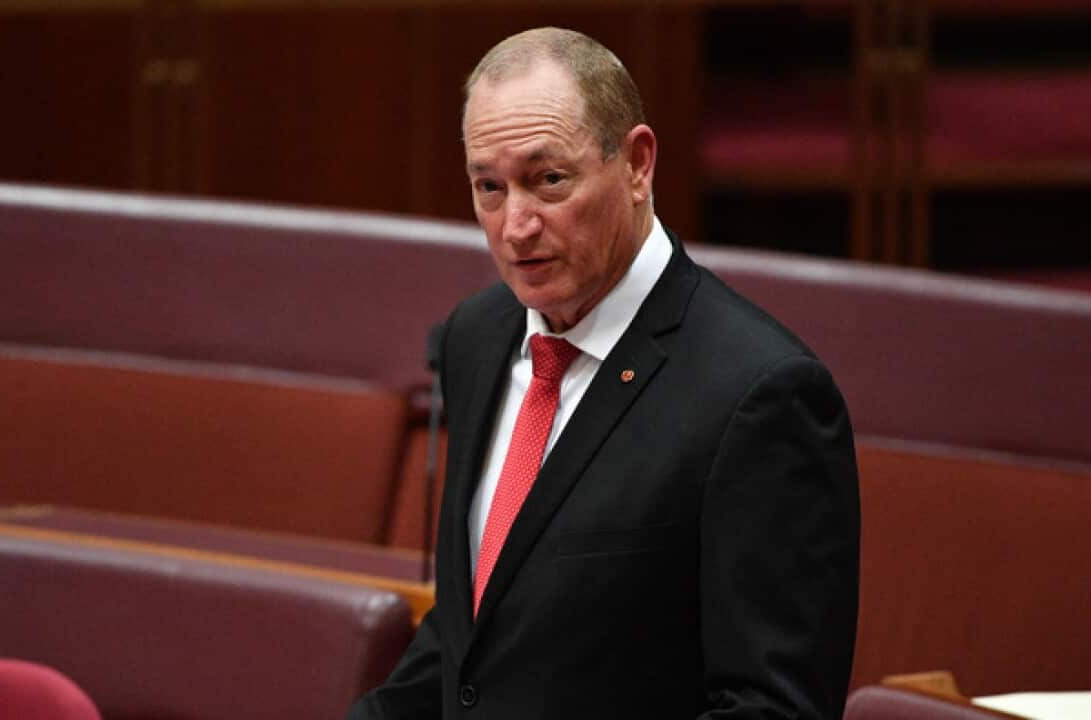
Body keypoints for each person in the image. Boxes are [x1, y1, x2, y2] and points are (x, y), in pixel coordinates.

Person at [348, 27, 859, 720]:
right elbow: (470, 641)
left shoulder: (761, 395)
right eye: (489, 187)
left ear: (637, 164)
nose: (516, 225)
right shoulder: (479, 335)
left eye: (548, 180)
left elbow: (773, 709)